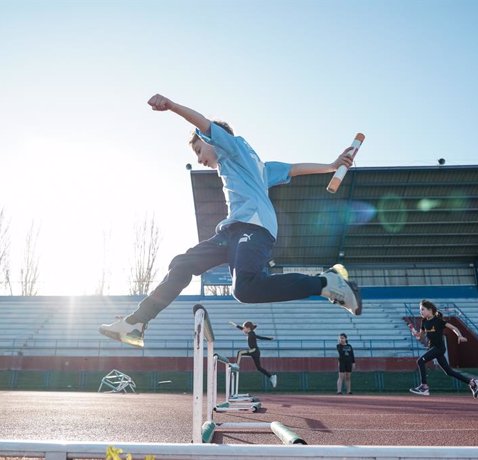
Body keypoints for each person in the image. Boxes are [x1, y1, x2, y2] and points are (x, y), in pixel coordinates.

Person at [99, 94, 362, 348]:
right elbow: (292, 169)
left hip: (254, 228)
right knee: (183, 263)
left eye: (200, 150)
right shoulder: (257, 167)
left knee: (246, 289)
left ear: (215, 140)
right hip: (231, 232)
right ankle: (137, 323)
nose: (201, 160)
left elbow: (202, 122)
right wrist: (330, 165)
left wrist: (171, 106)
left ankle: (326, 283)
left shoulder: (234, 148)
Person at [409, 299, 478, 398]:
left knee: (420, 361)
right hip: (433, 349)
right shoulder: (424, 321)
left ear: (430, 310)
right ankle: (472, 383)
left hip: (439, 348)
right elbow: (420, 336)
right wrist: (415, 333)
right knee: (449, 372)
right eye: (420, 310)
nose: (420, 311)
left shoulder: (438, 321)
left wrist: (459, 335)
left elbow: (454, 328)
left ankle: (424, 387)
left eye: (422, 309)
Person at [230, 321, 277, 387]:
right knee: (259, 368)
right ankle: (271, 376)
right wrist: (235, 325)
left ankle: (236, 365)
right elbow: (259, 337)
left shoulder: (252, 333)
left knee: (240, 352)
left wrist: (269, 338)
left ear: (248, 328)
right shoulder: (250, 333)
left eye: (244, 328)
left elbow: (260, 337)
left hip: (254, 351)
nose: (243, 330)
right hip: (256, 352)